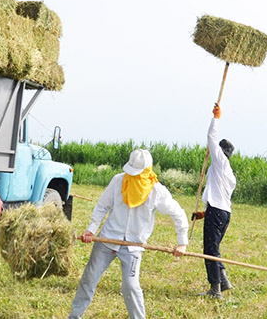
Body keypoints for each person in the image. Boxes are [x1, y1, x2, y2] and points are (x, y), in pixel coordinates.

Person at [69, 149, 189, 319]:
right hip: (107, 239)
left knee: (131, 286)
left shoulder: (156, 191)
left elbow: (177, 213)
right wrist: (91, 229)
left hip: (133, 246)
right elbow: (103, 206)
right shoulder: (118, 181)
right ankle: (74, 316)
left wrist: (182, 242)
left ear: (147, 171)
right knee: (89, 278)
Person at [192, 103, 237, 299]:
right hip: (223, 213)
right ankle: (224, 280)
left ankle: (215, 289)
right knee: (215, 247)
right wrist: (204, 213)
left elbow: (211, 137)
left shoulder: (220, 162)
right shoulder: (227, 173)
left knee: (209, 250)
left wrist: (216, 117)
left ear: (221, 152)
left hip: (218, 212)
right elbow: (219, 197)